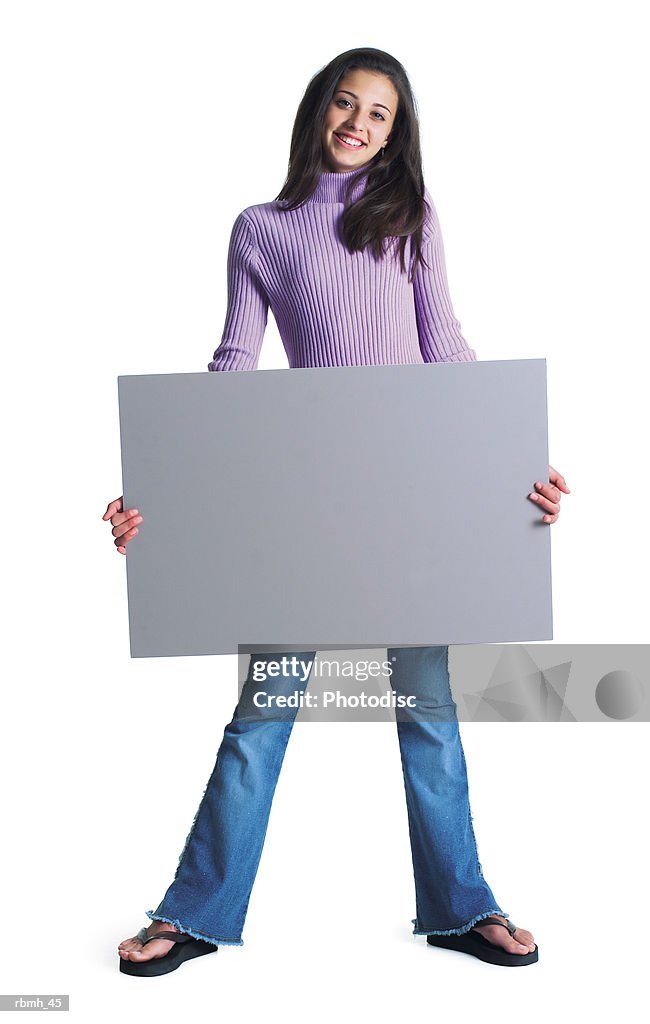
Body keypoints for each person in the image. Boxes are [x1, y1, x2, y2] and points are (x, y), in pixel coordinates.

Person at [104, 48, 569, 976]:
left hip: (413, 498)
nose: (360, 123)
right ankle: (195, 913)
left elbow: (449, 350)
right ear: (318, 109)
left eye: (382, 114)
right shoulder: (260, 229)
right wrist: (165, 489)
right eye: (347, 104)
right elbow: (234, 368)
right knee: (262, 715)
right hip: (307, 504)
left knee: (428, 714)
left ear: (398, 133)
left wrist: (512, 466)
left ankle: (459, 906)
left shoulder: (414, 219)